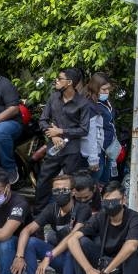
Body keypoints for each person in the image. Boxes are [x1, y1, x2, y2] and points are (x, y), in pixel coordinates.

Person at [9, 173, 92, 274]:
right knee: (31, 242)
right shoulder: (51, 209)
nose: (60, 193)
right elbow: (26, 230)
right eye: (56, 190)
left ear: (72, 192)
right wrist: (19, 256)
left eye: (64, 190)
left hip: (79, 261)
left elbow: (72, 237)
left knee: (74, 248)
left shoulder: (83, 209)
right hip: (60, 258)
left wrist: (49, 256)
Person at [35, 67, 91, 210]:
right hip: (53, 149)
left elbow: (84, 130)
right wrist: (53, 135)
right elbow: (43, 120)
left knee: (71, 184)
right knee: (43, 181)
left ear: (69, 82)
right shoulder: (53, 97)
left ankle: (73, 214)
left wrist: (61, 131)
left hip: (72, 151)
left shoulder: (83, 103)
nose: (56, 81)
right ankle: (39, 215)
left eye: (60, 79)